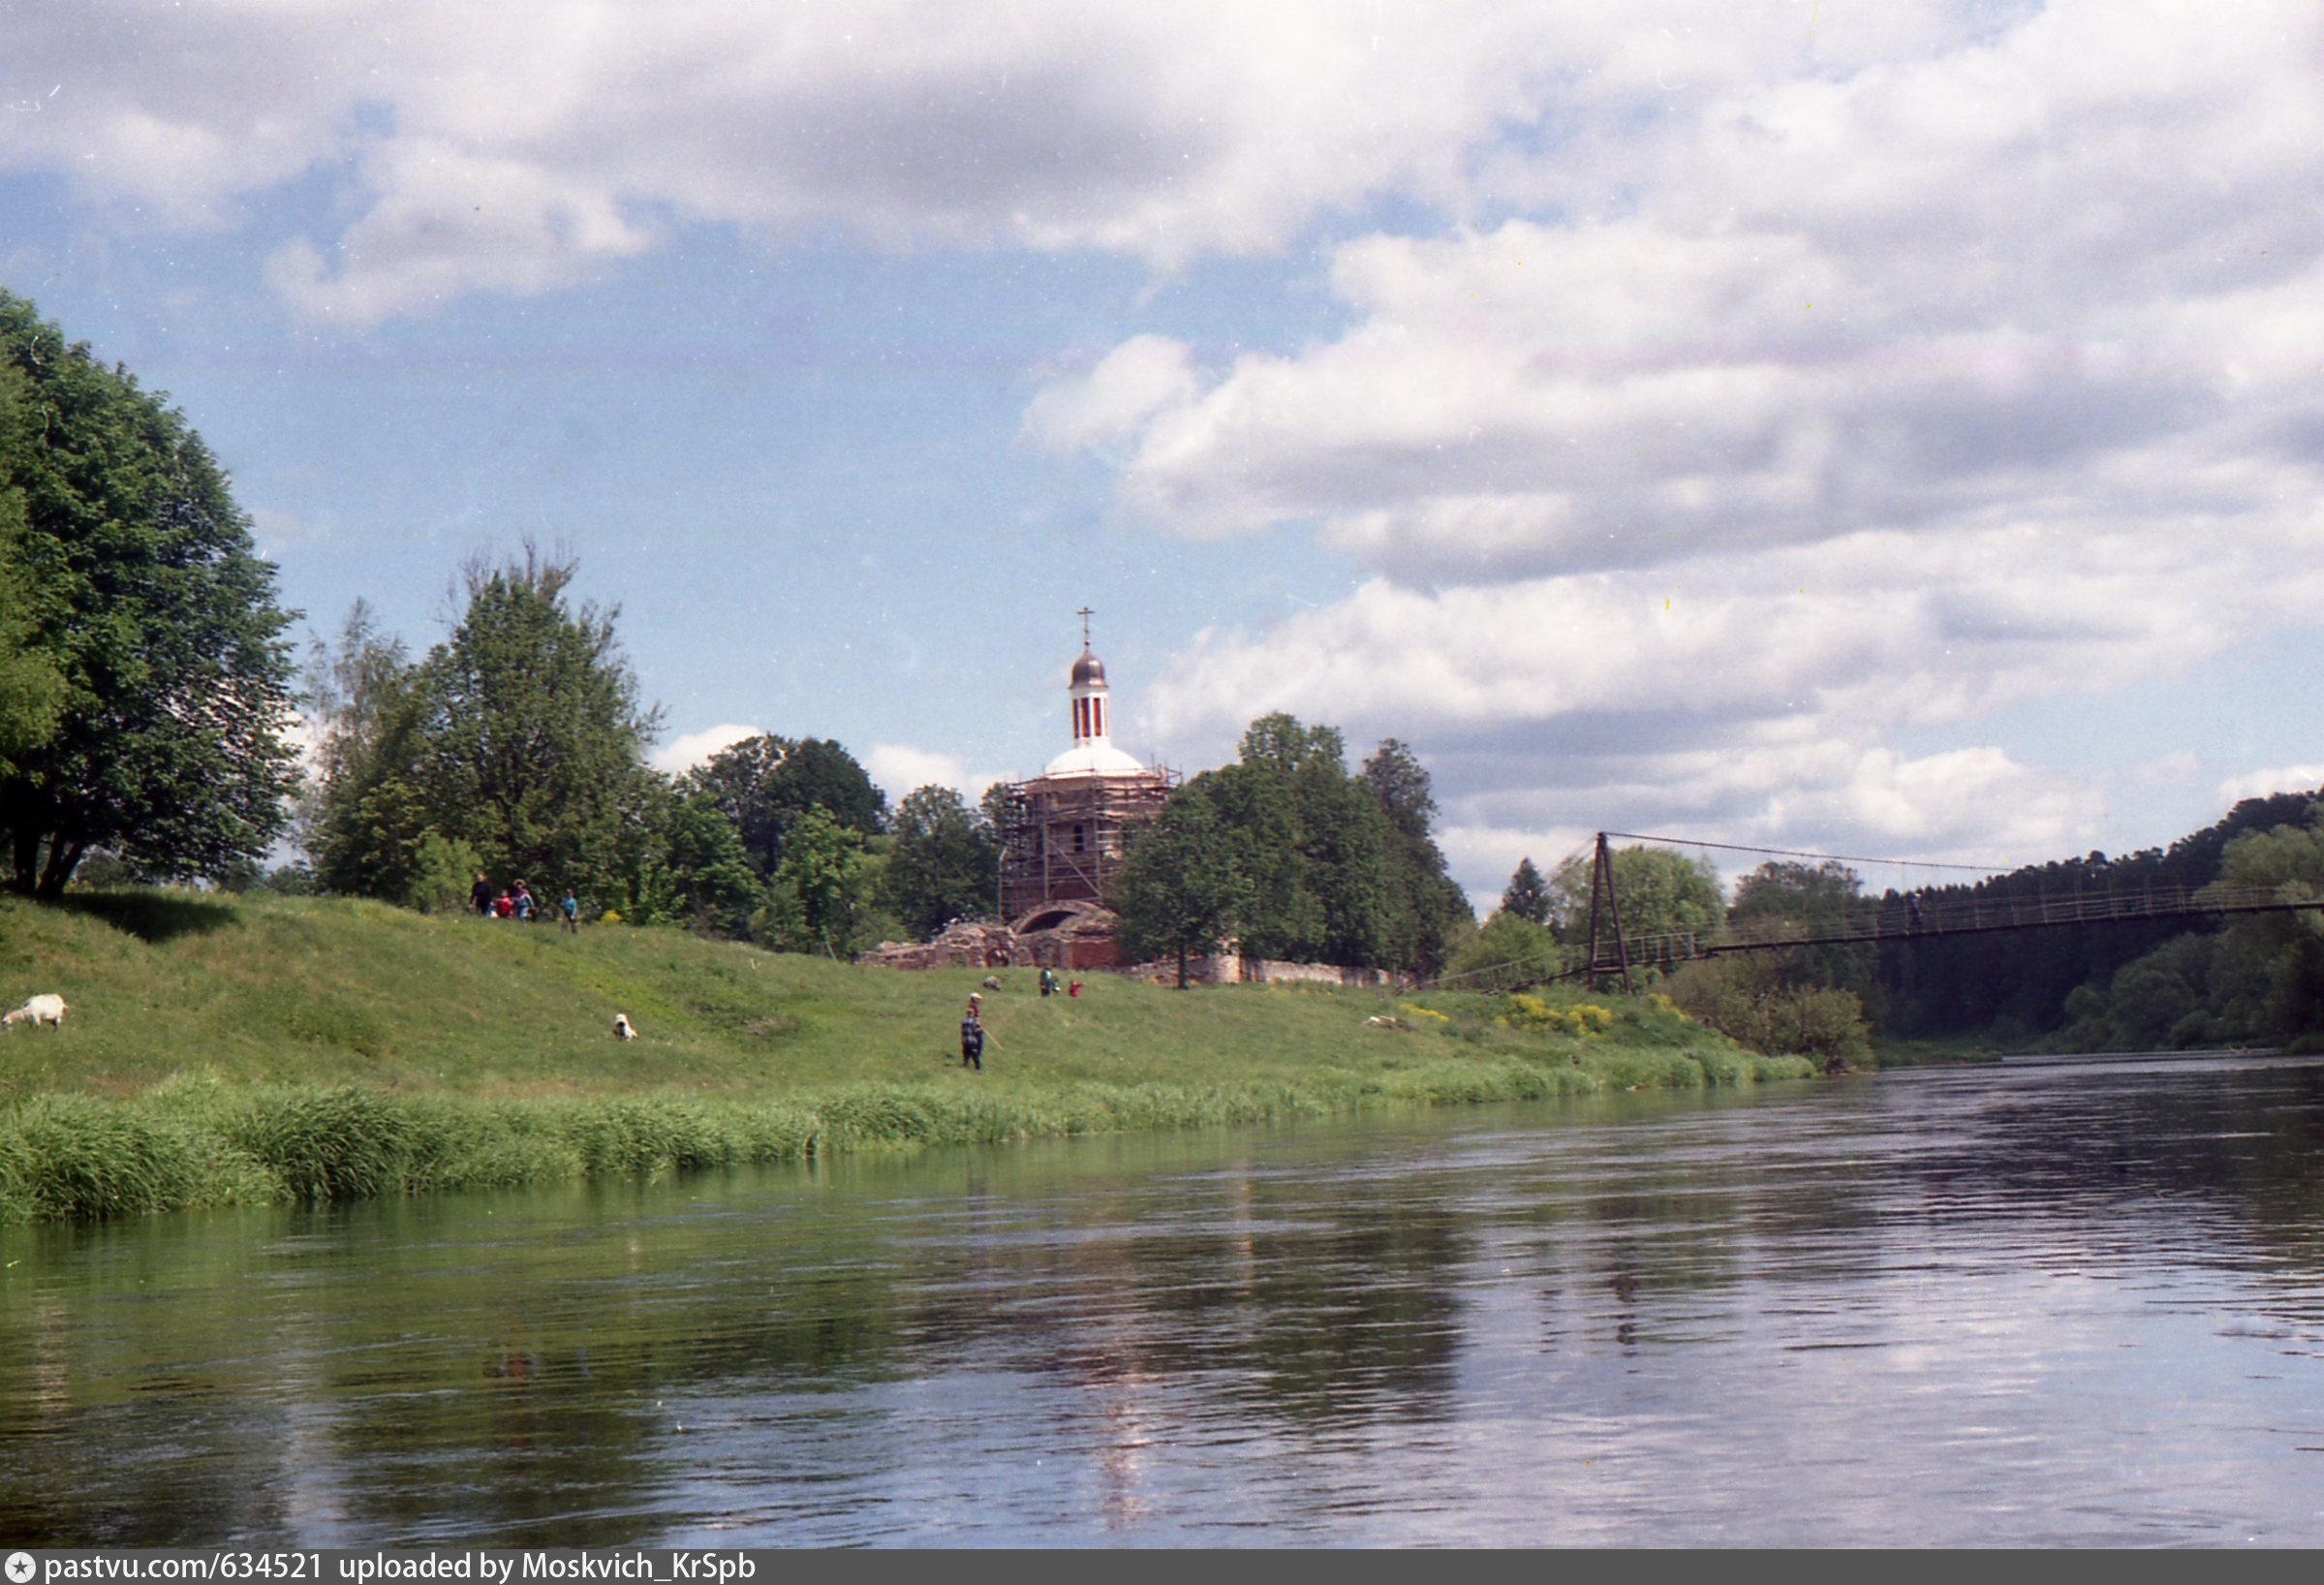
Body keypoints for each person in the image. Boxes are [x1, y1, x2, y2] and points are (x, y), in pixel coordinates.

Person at [960, 994, 986, 1072]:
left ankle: (966, 1062)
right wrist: (980, 1028)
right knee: (976, 1047)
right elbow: (974, 1024)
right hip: (973, 1031)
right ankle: (977, 1066)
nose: (979, 1001)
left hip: (966, 1037)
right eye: (977, 999)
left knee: (967, 1049)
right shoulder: (972, 1007)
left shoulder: (964, 1020)